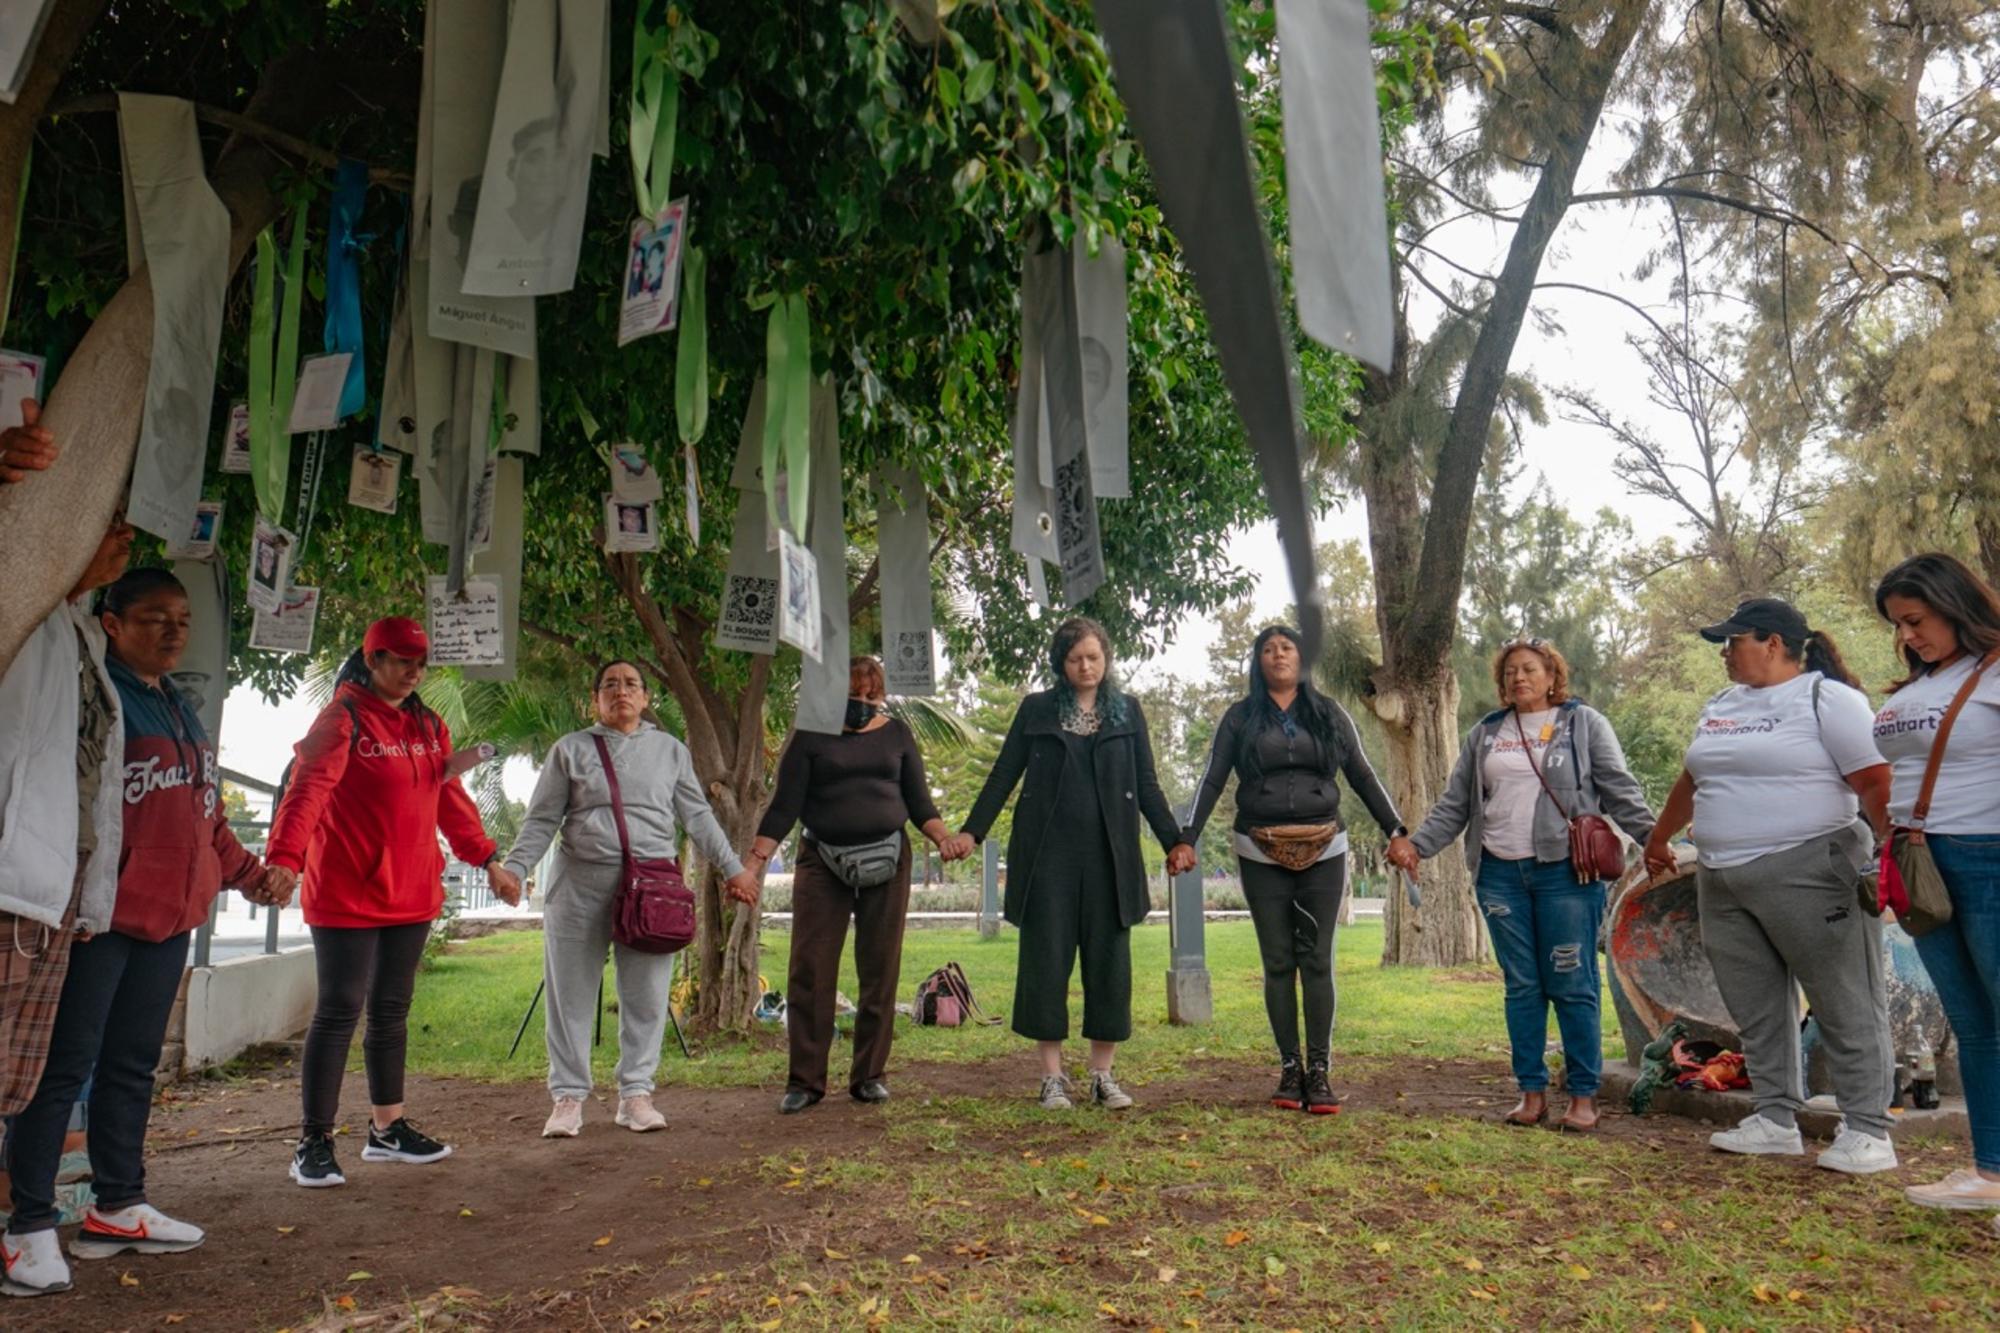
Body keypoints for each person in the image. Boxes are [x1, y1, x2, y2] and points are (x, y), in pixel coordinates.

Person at [4, 569, 286, 1295]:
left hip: (170, 920)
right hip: (102, 915)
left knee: (132, 1065)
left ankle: (118, 1205)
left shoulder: (180, 708)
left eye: (181, 618)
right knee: (63, 1069)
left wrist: (250, 875)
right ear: (111, 622)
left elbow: (205, 817)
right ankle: (26, 1225)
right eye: (153, 616)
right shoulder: (96, 694)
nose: (172, 629)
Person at [263, 617, 522, 1188]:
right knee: (338, 1009)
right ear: (372, 659)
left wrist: (487, 861)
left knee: (391, 1011)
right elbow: (308, 791)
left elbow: (448, 797)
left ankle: (387, 1130)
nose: (413, 672)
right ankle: (314, 1141)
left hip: (412, 889)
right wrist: (285, 858)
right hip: (347, 889)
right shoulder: (342, 718)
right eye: (401, 661)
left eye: (420, 664)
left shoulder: (428, 723)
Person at [1641, 598, 1897, 1174]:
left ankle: (1869, 1130)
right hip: (1723, 875)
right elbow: (1694, 774)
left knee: (1844, 998)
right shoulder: (1722, 704)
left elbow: (1876, 780)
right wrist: (1660, 837)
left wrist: (1891, 854)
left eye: (1735, 641)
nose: (1727, 653)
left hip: (1811, 868)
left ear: (1774, 643)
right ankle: (1776, 1118)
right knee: (1755, 1005)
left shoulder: (1827, 698)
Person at [1387, 638, 1655, 1132]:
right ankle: (1530, 1092)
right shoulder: (1487, 733)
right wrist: (1417, 845)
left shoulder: (1582, 724)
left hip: (1566, 874)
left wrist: (1654, 842)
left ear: (1553, 677)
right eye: (1510, 672)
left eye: (1530, 669)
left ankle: (1582, 1096)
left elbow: (1619, 789)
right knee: (1523, 986)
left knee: (1572, 985)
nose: (1519, 678)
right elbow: (1455, 804)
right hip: (1500, 874)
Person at [502, 661, 758, 1138]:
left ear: (645, 699)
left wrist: (734, 867)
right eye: (610, 685)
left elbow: (698, 817)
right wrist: (516, 870)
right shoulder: (570, 750)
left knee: (646, 995)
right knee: (570, 996)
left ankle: (636, 1095)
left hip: (652, 889)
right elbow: (541, 820)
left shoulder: (670, 751)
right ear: (595, 698)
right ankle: (568, 1098)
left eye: (632, 685)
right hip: (578, 885)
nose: (621, 691)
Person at [949, 617, 1193, 1111]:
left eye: (1094, 657)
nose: (1086, 666)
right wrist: (971, 832)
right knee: (1046, 964)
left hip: (1110, 858)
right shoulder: (1037, 710)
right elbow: (1003, 775)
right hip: (1047, 859)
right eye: (1076, 658)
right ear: (1061, 664)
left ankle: (1103, 1075)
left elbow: (1146, 784)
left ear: (1106, 659)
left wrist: (1175, 840)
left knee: (1110, 968)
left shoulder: (1127, 712)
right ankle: (1052, 1077)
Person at [0, 429, 131, 1297]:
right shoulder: (21, 602)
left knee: (17, 1082)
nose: (120, 534)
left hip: (55, 895)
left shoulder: (85, 635)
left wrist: (91, 898)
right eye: (103, 519)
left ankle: (18, 1231)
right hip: (11, 881)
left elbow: (93, 786)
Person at [1184, 626, 1407, 1116]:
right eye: (1267, 648)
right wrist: (1187, 837)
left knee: (1317, 959)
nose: (1278, 654)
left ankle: (1320, 1071)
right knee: (1279, 962)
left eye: (1287, 647)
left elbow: (1363, 775)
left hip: (1325, 847)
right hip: (1259, 848)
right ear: (1257, 662)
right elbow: (1213, 777)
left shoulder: (1328, 714)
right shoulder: (1241, 718)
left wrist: (1396, 829)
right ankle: (1290, 1069)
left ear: (1302, 659)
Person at [747, 656, 961, 1114]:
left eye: (871, 696)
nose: (863, 704)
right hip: (822, 859)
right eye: (853, 695)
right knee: (810, 968)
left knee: (880, 967)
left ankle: (869, 1076)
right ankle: (805, 1081)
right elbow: (784, 806)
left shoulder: (899, 735)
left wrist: (943, 838)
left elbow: (919, 801)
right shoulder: (810, 736)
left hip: (888, 859)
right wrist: (755, 863)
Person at [1870, 553, 2000, 1212]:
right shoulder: (1920, 682)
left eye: (1916, 620)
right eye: (1898, 625)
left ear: (1956, 604)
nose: (1908, 635)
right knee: (1975, 1024)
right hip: (1921, 860)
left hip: (1988, 853)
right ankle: (1991, 1171)